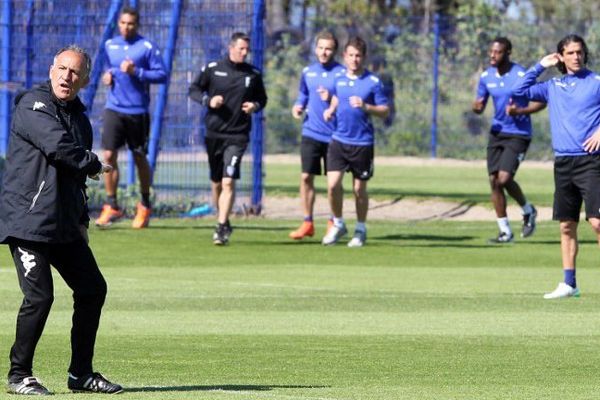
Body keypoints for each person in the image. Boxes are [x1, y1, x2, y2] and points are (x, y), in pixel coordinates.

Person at [0, 45, 122, 395]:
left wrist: (82, 220)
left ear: (84, 80)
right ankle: (18, 375)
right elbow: (57, 148)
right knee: (40, 298)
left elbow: (75, 179)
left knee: (92, 289)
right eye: (62, 69)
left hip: (64, 224)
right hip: (28, 223)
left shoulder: (80, 118)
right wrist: (95, 162)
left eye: (75, 73)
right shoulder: (32, 105)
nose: (67, 77)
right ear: (52, 69)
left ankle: (80, 374)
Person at [512, 34, 600, 299]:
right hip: (563, 162)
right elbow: (518, 92)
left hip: (592, 162)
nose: (576, 57)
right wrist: (541, 65)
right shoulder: (553, 85)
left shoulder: (596, 82)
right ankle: (569, 283)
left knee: (597, 223)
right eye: (570, 53)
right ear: (561, 56)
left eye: (579, 52)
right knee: (566, 225)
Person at [189, 32, 267, 245]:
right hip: (214, 134)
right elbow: (194, 90)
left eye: (247, 49)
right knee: (216, 183)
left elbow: (262, 98)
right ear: (231, 48)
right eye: (241, 48)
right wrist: (208, 100)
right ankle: (221, 218)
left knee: (228, 180)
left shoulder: (253, 74)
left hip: (238, 135)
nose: (245, 52)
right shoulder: (214, 69)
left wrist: (255, 106)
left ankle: (222, 226)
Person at [95, 6, 167, 229]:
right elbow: (108, 68)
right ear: (119, 23)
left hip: (137, 112)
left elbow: (162, 74)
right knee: (108, 155)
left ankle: (145, 204)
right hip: (113, 108)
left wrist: (137, 72)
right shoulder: (110, 45)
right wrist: (108, 76)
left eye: (131, 24)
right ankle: (112, 204)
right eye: (123, 23)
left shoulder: (146, 47)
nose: (127, 27)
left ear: (137, 25)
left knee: (138, 158)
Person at [472, 37, 546, 243]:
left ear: (508, 53)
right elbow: (480, 103)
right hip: (497, 133)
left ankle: (528, 210)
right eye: (491, 52)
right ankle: (505, 231)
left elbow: (541, 102)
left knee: (504, 179)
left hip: (519, 133)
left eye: (498, 52)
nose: (492, 56)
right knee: (493, 182)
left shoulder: (521, 75)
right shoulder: (486, 76)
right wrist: (477, 108)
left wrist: (520, 110)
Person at [321, 36, 389, 247]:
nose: (354, 59)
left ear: (364, 57)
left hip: (362, 143)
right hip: (339, 140)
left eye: (358, 56)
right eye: (350, 55)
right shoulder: (338, 79)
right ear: (345, 56)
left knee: (359, 190)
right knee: (332, 186)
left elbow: (385, 111)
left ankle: (360, 229)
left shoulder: (373, 82)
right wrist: (331, 110)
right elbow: (336, 97)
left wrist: (366, 107)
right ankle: (339, 223)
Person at [289, 30, 345, 240]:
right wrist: (298, 106)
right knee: (305, 177)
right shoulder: (308, 72)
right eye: (320, 48)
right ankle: (307, 222)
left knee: (333, 184)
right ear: (315, 49)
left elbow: (346, 101)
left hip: (334, 136)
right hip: (310, 132)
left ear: (334, 51)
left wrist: (331, 98)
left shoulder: (341, 74)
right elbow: (303, 93)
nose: (323, 52)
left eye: (328, 48)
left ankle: (334, 221)